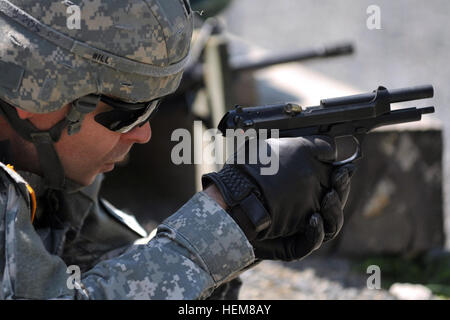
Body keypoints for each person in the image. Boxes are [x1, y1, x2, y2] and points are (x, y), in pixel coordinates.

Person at [0, 0, 353, 299]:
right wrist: (221, 221)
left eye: (156, 107)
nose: (144, 134)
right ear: (36, 93)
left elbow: (95, 272)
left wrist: (238, 242)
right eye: (128, 113)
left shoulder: (49, 172)